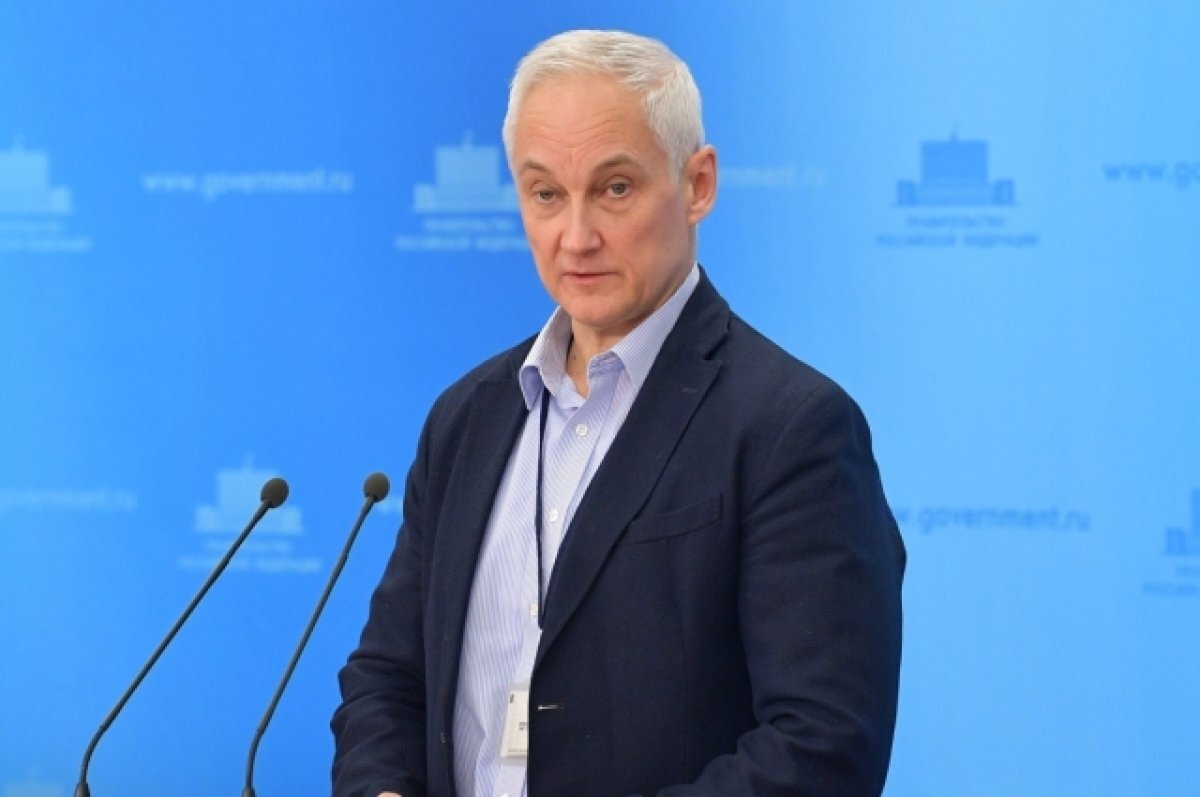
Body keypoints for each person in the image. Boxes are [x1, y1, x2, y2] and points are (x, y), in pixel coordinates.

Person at [332, 29, 904, 797]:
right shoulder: (466, 418)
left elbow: (821, 748)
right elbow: (386, 679)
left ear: (697, 184)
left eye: (615, 188)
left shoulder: (792, 428)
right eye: (546, 194)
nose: (577, 237)